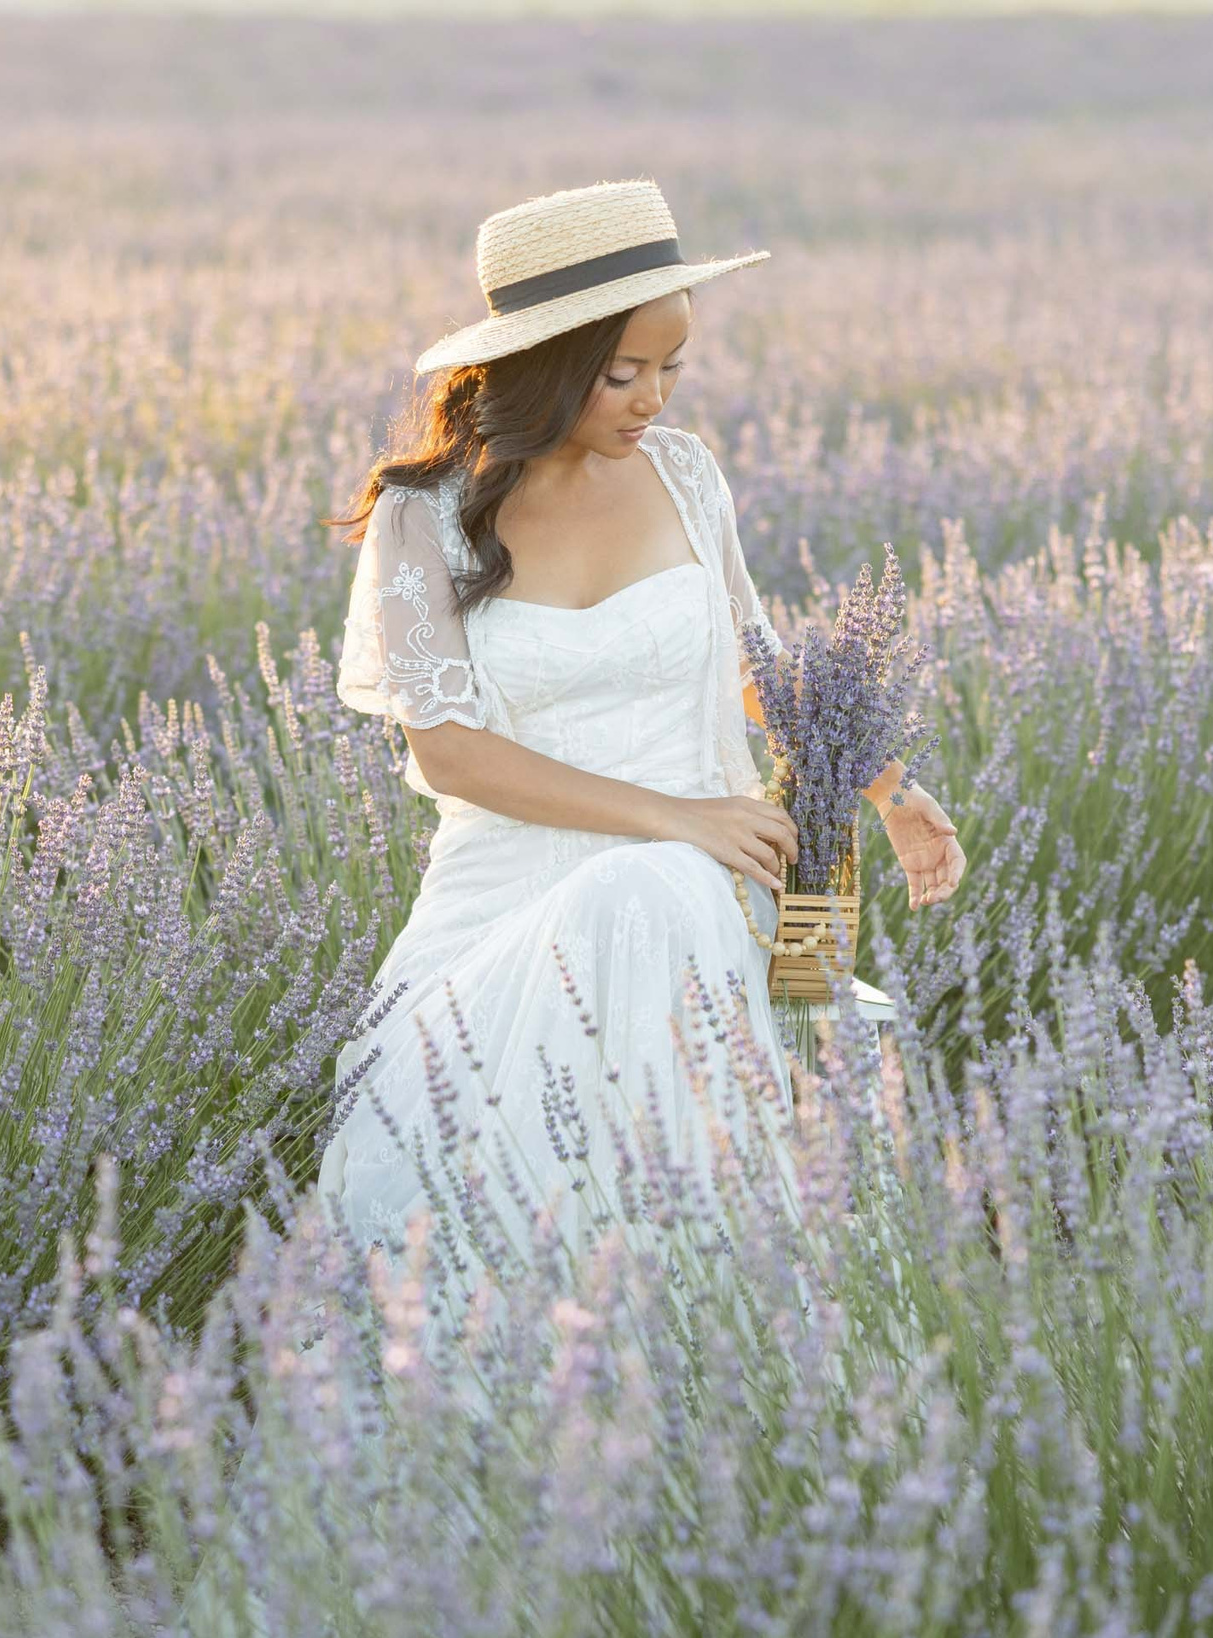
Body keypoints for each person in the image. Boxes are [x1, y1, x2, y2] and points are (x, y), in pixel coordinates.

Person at [315, 178, 966, 1325]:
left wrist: (888, 782)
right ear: (546, 365)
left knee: (734, 1042)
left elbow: (756, 663)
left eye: (673, 368)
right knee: (634, 912)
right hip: (513, 905)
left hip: (711, 894)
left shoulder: (682, 474)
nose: (654, 399)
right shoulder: (425, 517)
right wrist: (677, 819)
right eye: (624, 374)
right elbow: (454, 754)